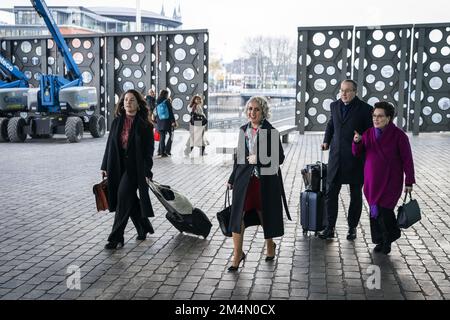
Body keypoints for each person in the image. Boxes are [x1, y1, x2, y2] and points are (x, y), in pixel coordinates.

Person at [226, 96, 290, 272]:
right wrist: (232, 178)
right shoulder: (243, 130)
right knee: (238, 217)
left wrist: (260, 159)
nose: (252, 112)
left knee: (264, 215)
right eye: (249, 109)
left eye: (256, 109)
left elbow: (281, 158)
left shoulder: (271, 132)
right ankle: (237, 253)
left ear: (263, 112)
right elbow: (238, 158)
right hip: (244, 181)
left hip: (264, 182)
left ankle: (270, 245)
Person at [352, 101, 415, 254]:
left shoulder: (399, 136)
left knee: (385, 211)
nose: (376, 119)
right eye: (374, 116)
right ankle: (379, 240)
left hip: (390, 181)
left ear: (389, 118)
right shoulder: (368, 133)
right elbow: (357, 152)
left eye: (380, 116)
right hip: (371, 181)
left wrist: (409, 181)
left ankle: (389, 237)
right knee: (375, 212)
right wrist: (357, 142)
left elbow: (408, 160)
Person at [101, 89, 155, 249]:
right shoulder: (116, 122)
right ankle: (143, 226)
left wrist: (146, 172)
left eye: (131, 100)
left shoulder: (145, 125)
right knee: (128, 199)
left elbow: (148, 153)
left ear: (138, 104)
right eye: (125, 100)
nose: (128, 102)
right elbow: (109, 145)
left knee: (123, 196)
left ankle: (116, 237)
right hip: (116, 165)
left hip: (135, 168)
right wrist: (104, 166)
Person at [319, 79, 373, 240]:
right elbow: (331, 125)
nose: (344, 93)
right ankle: (329, 228)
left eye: (347, 90)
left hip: (356, 159)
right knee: (330, 194)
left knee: (355, 196)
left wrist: (361, 138)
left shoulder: (365, 109)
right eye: (342, 90)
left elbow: (370, 132)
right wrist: (326, 140)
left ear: (355, 92)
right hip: (336, 157)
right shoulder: (334, 106)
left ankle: (352, 227)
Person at [154, 89, 176, 157]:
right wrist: (173, 121)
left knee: (162, 137)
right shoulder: (167, 101)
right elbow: (170, 112)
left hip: (160, 121)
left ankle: (160, 152)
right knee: (171, 135)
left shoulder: (157, 101)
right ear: (166, 94)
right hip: (167, 121)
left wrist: (156, 120)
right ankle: (167, 150)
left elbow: (155, 112)